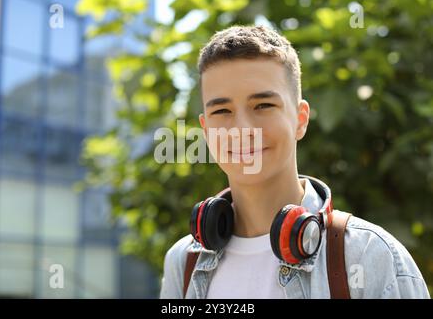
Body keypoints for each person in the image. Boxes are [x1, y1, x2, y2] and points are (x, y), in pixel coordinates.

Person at [159, 25, 430, 299]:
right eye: (222, 110)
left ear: (300, 119)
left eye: (263, 105)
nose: (242, 128)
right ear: (206, 132)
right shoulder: (183, 264)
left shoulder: (370, 255)